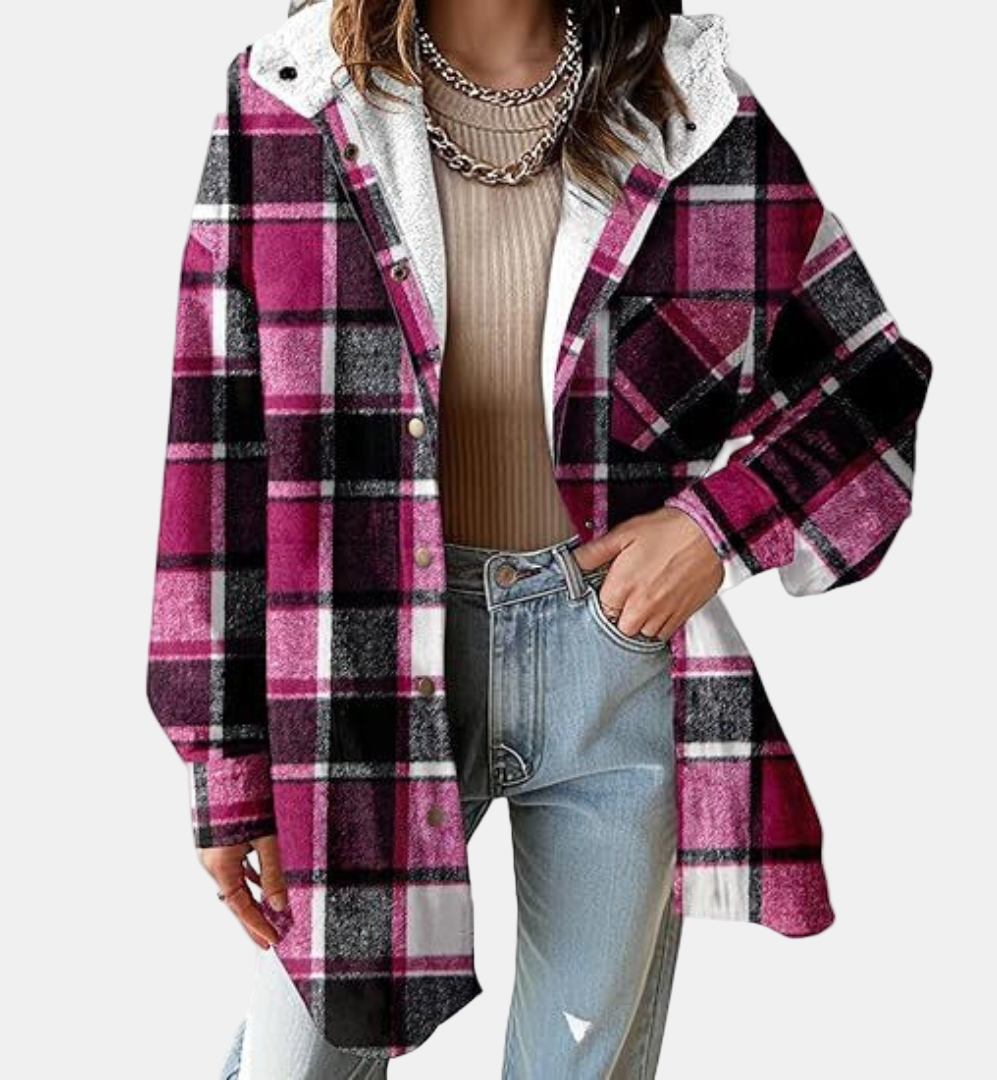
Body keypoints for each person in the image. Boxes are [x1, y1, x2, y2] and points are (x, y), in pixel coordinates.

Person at [146, 0, 933, 1076]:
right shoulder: (289, 99)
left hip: (611, 652)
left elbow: (872, 380)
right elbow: (215, 441)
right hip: (359, 667)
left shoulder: (688, 106)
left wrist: (711, 529)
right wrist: (226, 761)